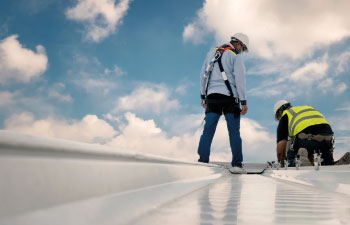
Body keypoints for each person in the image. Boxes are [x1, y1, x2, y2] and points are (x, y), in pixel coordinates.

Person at [197, 33, 249, 174]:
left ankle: (202, 162)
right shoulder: (235, 56)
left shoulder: (211, 52)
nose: (241, 52)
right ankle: (237, 164)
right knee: (234, 132)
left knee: (208, 131)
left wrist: (203, 96)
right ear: (238, 44)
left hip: (212, 98)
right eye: (243, 49)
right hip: (230, 100)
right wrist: (243, 101)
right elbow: (240, 79)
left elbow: (203, 74)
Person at [273, 100, 335, 167]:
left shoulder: (286, 115)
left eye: (278, 117)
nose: (279, 119)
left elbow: (280, 149)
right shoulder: (307, 108)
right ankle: (329, 162)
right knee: (325, 160)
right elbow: (315, 128)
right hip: (327, 140)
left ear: (280, 112)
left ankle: (297, 161)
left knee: (291, 147)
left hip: (306, 140)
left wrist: (281, 164)